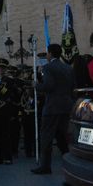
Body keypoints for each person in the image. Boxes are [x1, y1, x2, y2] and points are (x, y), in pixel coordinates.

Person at [31, 43, 74, 175]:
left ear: (50, 54)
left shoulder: (48, 67)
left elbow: (49, 86)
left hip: (52, 107)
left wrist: (36, 85)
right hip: (66, 106)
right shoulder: (68, 68)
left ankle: (45, 166)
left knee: (46, 137)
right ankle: (71, 163)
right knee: (65, 136)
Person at [0, 58, 17, 165]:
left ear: (5, 69)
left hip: (5, 108)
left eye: (3, 68)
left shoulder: (9, 80)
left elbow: (8, 93)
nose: (1, 69)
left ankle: (8, 157)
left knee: (6, 134)